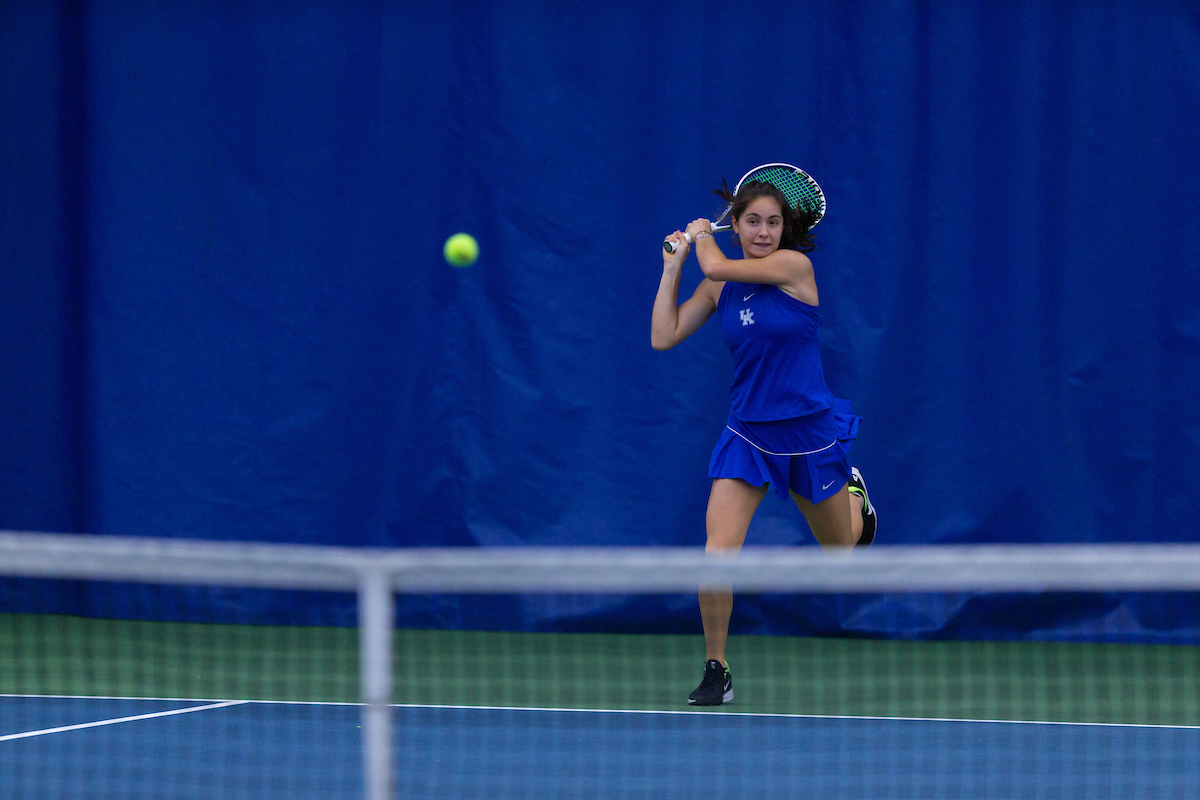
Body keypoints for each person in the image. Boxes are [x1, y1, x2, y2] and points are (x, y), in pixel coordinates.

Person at [650, 176, 877, 706]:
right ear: (740, 223)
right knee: (716, 557)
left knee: (841, 552)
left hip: (808, 435)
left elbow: (714, 263)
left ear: (786, 228)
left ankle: (855, 497)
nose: (763, 231)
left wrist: (702, 239)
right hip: (747, 433)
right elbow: (663, 335)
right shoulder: (717, 287)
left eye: (773, 222)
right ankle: (716, 666)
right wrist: (670, 268)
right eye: (752, 220)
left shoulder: (794, 269)